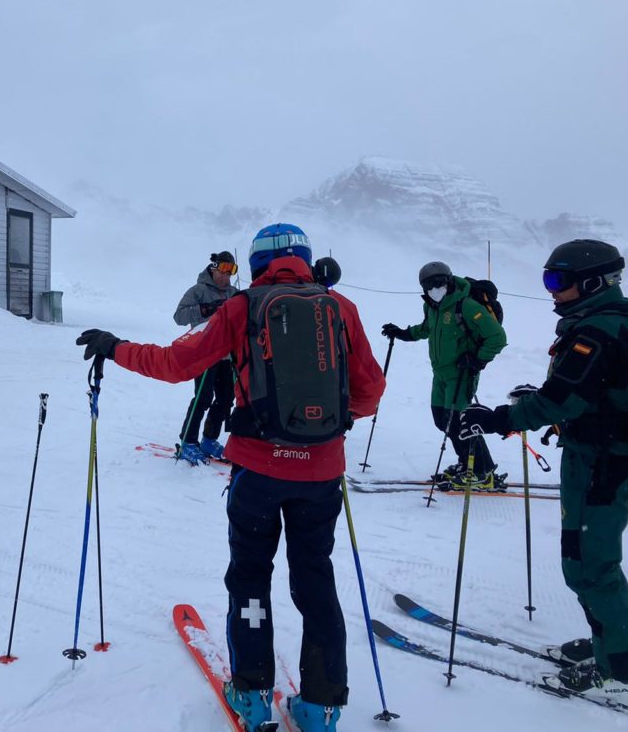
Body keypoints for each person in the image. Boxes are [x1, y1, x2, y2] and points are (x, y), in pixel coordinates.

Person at [76, 223, 386, 732]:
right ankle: (321, 707)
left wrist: (115, 347)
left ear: (256, 262)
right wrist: (328, 420)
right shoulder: (340, 308)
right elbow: (370, 392)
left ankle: (253, 694)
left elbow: (176, 364)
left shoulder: (242, 307)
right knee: (316, 581)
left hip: (258, 473)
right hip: (321, 475)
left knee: (250, 576)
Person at [460, 239, 628, 699]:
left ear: (591, 283)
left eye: (557, 280)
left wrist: (499, 419)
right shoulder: (609, 321)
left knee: (589, 566)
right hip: (603, 456)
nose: (551, 290)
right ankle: (612, 642)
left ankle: (619, 670)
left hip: (602, 466)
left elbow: (562, 398)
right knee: (589, 561)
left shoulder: (597, 331)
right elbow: (592, 394)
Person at [381, 262, 507, 488]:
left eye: (438, 283)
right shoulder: (431, 306)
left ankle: (481, 471)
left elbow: (497, 337)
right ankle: (468, 464)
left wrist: (477, 359)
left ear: (448, 281)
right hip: (440, 374)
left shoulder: (466, 305)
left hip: (461, 373)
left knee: (460, 423)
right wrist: (402, 333)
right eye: (428, 285)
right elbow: (426, 328)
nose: (434, 289)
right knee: (442, 420)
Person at [173, 251, 239, 464]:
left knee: (226, 399)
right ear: (214, 267)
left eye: (232, 270)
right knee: (203, 398)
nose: (227, 275)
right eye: (224, 269)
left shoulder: (234, 293)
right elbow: (179, 316)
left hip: (227, 356)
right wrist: (204, 309)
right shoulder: (198, 290)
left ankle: (209, 439)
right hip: (204, 354)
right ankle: (187, 442)